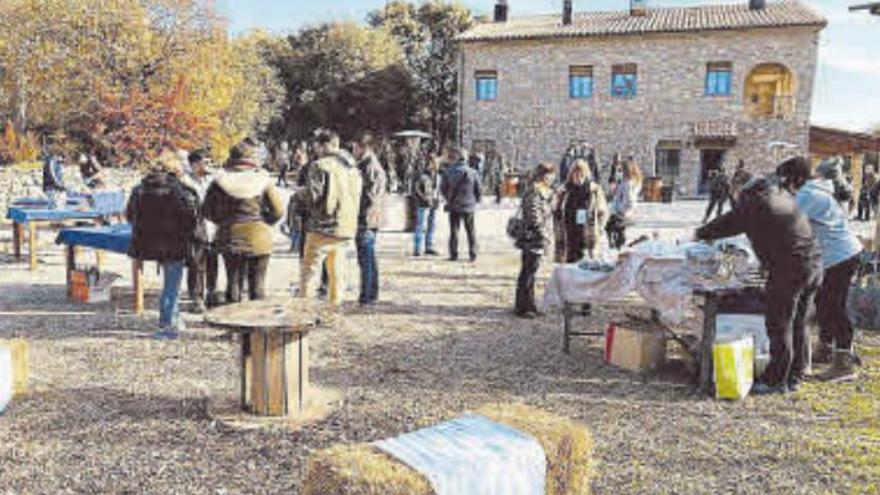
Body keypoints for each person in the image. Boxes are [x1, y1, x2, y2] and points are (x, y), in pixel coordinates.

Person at [696, 175, 822, 394]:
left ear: (743, 190)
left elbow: (729, 222)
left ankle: (776, 380)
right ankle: (795, 375)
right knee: (798, 322)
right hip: (813, 263)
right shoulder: (780, 195)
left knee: (779, 323)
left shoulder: (756, 202)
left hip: (790, 268)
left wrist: (699, 233)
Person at [777, 157, 863, 382]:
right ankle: (826, 349)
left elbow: (785, 226)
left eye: (784, 181)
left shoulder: (808, 195)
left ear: (795, 178)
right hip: (836, 255)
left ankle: (845, 362)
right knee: (823, 303)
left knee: (834, 307)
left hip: (840, 256)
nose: (782, 186)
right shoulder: (812, 190)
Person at [126, 149, 199, 339]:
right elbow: (191, 218)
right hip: (175, 243)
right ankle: (167, 325)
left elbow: (129, 216)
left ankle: (173, 319)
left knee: (170, 286)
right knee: (171, 285)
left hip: (147, 243)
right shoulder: (180, 190)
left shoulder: (139, 189)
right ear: (174, 168)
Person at [203, 139, 285, 304]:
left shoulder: (218, 182)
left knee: (233, 284)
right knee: (258, 287)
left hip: (229, 237)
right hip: (259, 238)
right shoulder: (263, 180)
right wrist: (264, 221)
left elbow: (206, 210)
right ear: (252, 158)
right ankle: (256, 325)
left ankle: (233, 326)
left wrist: (223, 221)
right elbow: (278, 210)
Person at [299, 130, 362, 306]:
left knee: (309, 273)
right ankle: (334, 310)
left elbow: (313, 197)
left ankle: (302, 311)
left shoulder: (320, 165)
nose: (315, 150)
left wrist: (299, 196)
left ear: (324, 145)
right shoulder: (352, 167)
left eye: (317, 146)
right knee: (336, 272)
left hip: (322, 226)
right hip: (346, 226)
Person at [514, 162, 556, 318]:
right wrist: (543, 233)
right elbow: (534, 217)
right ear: (544, 176)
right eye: (550, 175)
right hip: (532, 237)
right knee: (528, 272)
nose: (552, 178)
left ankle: (528, 304)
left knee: (531, 271)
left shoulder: (542, 192)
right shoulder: (535, 192)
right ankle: (524, 307)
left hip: (535, 236)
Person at [353, 133, 387, 306]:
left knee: (366, 259)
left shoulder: (369, 167)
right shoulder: (370, 165)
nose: (353, 151)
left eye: (355, 148)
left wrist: (358, 215)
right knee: (369, 257)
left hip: (367, 219)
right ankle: (371, 293)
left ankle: (367, 295)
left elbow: (370, 197)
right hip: (372, 218)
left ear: (363, 148)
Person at [182, 150, 218, 311]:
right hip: (195, 229)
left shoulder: (212, 180)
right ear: (195, 165)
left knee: (213, 264)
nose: (209, 165)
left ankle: (211, 293)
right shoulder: (185, 183)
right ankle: (196, 298)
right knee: (196, 265)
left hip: (213, 228)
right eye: (206, 162)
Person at [562, 159, 609, 262]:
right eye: (576, 175)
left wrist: (599, 228)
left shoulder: (594, 190)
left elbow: (603, 212)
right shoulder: (565, 190)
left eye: (581, 175)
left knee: (587, 262)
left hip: (588, 231)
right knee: (570, 261)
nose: (579, 178)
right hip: (570, 231)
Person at [441, 146, 482, 262]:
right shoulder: (473, 172)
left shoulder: (448, 172)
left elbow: (443, 188)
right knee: (471, 231)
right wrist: (476, 200)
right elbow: (478, 189)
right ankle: (473, 253)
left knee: (454, 231)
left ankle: (453, 254)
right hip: (469, 205)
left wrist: (448, 198)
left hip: (454, 204)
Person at [606, 159, 642, 250]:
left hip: (622, 213)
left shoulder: (628, 184)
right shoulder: (624, 182)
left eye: (620, 170)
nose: (619, 173)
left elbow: (630, 201)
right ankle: (616, 245)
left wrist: (621, 210)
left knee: (612, 227)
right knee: (610, 227)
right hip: (620, 211)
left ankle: (618, 246)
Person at [413, 154, 441, 257]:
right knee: (421, 226)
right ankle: (418, 248)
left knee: (432, 226)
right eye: (432, 163)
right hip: (423, 203)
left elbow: (438, 189)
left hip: (433, 202)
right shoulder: (421, 175)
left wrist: (438, 198)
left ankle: (429, 246)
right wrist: (423, 198)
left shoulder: (437, 175)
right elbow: (416, 189)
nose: (434, 165)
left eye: (435, 163)